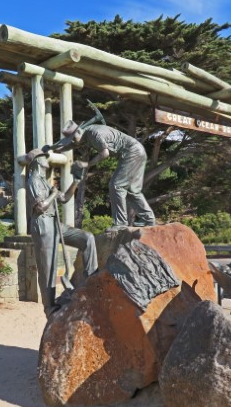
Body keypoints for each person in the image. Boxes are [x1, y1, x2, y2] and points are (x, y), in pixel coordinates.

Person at [25, 149, 98, 316]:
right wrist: (52, 195)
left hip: (54, 223)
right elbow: (40, 207)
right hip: (43, 224)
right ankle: (49, 307)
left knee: (87, 238)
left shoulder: (44, 181)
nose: (47, 160)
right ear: (37, 161)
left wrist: (76, 181)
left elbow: (64, 198)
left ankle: (91, 282)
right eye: (43, 157)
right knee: (48, 268)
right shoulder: (33, 181)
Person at [51, 121, 155, 231]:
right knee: (132, 191)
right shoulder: (84, 135)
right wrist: (53, 148)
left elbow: (105, 153)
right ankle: (149, 219)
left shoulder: (94, 134)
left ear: (79, 131)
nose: (72, 141)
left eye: (73, 138)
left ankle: (120, 224)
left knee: (116, 186)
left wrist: (87, 164)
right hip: (137, 151)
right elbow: (73, 144)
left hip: (132, 152)